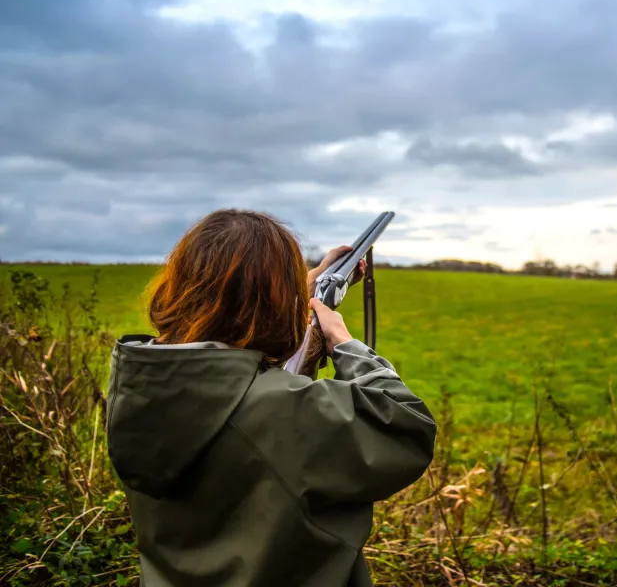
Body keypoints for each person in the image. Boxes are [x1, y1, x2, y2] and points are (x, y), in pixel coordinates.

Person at [104, 209, 436, 587]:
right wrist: (345, 344)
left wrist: (297, 296)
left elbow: (233, 386)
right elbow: (406, 427)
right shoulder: (279, 409)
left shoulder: (144, 383)